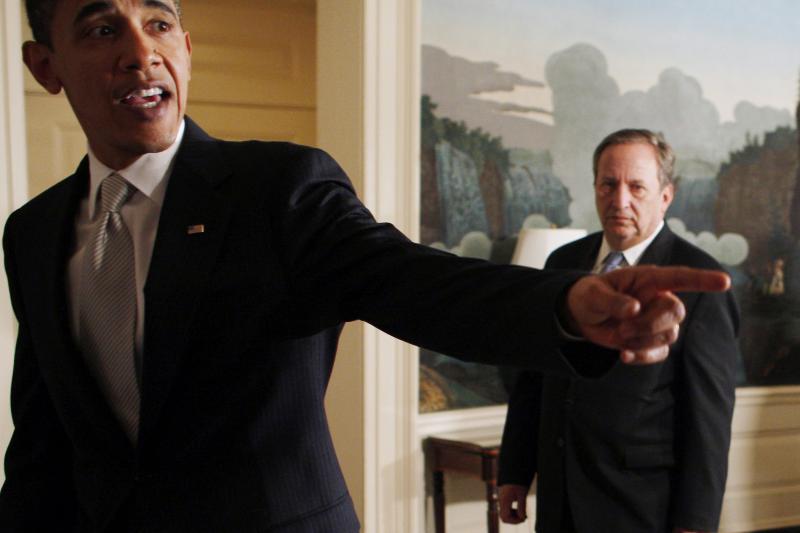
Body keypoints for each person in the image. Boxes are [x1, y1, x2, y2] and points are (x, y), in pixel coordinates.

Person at [1, 2, 729, 532]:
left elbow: (418, 283)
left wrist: (567, 307)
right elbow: (41, 444)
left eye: (158, 24)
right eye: (102, 29)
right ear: (45, 66)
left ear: (186, 48)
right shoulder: (32, 235)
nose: (141, 51)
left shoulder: (278, 191)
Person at [498, 129, 739, 533]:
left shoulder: (700, 283)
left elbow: (708, 422)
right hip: (559, 505)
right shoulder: (563, 262)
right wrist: (514, 472)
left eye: (636, 187)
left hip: (641, 510)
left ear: (666, 196)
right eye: (608, 184)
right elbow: (532, 378)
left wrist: (695, 523)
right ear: (595, 187)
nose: (619, 200)